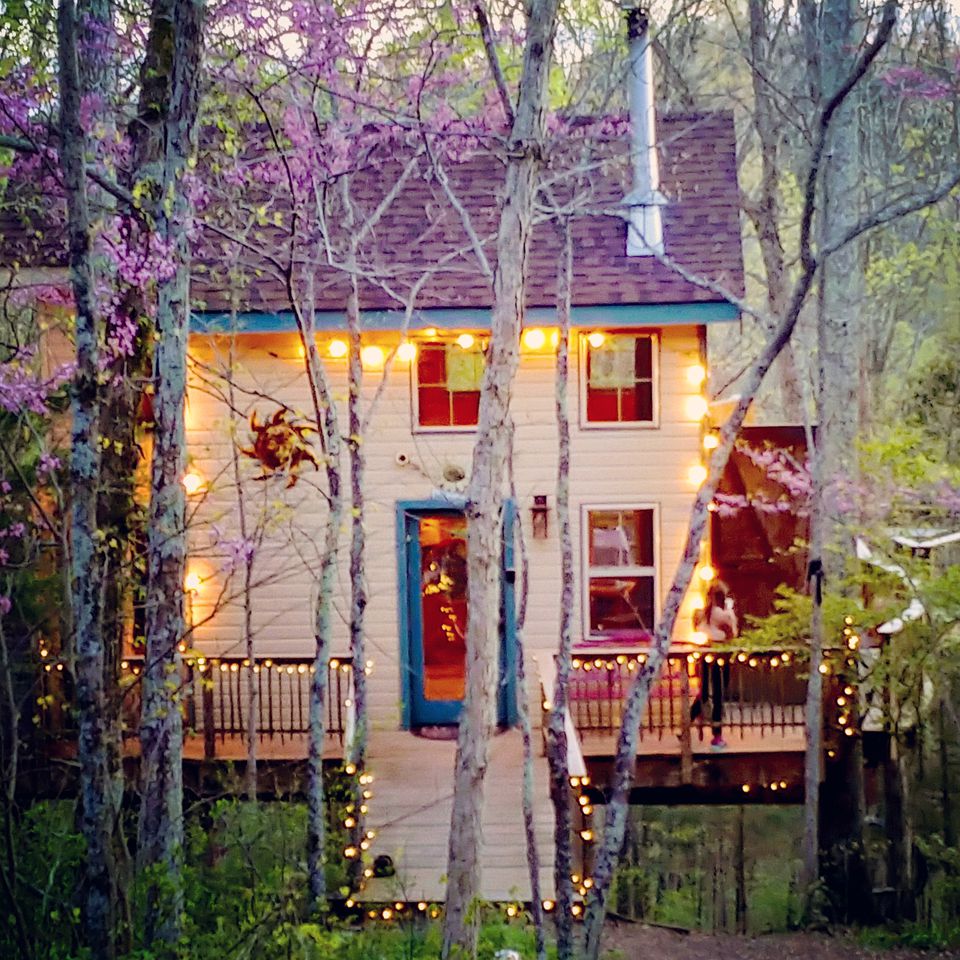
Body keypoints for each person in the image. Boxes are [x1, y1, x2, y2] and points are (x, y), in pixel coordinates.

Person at [690, 582, 738, 749]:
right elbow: (733, 629)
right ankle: (717, 735)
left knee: (705, 691)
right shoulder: (720, 614)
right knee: (719, 692)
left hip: (705, 653)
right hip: (719, 653)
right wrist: (730, 609)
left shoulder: (702, 613)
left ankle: (689, 719)